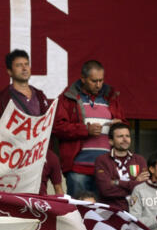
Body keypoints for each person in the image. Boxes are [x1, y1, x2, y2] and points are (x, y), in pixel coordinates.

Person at [54, 60, 127, 197]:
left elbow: (125, 128)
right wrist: (85, 130)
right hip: (77, 169)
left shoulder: (111, 97)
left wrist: (119, 125)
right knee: (78, 214)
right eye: (94, 81)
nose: (99, 85)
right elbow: (57, 128)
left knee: (102, 215)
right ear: (83, 78)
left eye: (101, 80)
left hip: (106, 169)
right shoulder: (68, 98)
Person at [0, 49, 50, 141]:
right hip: (12, 151)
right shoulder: (2, 99)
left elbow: (48, 126)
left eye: (26, 64)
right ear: (9, 72)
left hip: (36, 151)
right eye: (19, 65)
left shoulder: (39, 95)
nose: (24, 68)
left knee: (53, 156)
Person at [93, 122, 148, 211]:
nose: (125, 139)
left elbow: (144, 188)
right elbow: (105, 190)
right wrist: (135, 182)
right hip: (111, 212)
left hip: (137, 211)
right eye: (120, 136)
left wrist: (117, 182)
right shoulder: (102, 160)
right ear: (111, 141)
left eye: (127, 136)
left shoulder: (139, 160)